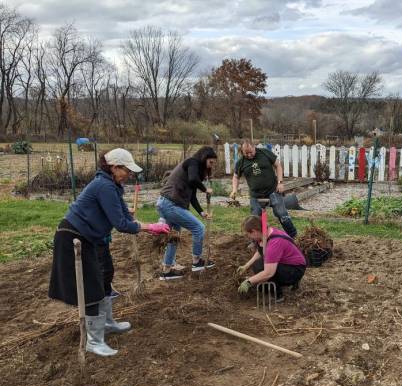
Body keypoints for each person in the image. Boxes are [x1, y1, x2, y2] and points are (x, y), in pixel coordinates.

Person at [49, 148, 170, 357]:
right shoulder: (103, 186)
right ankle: (93, 341)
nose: (130, 175)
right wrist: (149, 227)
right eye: (126, 171)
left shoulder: (114, 186)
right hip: (74, 237)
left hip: (92, 238)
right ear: (114, 167)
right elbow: (121, 224)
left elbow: (124, 214)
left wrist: (144, 225)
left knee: (106, 275)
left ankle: (106, 322)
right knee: (91, 287)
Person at [156, 146, 217, 280]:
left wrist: (201, 212)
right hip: (170, 204)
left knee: (174, 237)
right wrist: (205, 189)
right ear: (204, 158)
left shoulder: (193, 171)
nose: (212, 166)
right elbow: (193, 180)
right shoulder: (192, 162)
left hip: (165, 203)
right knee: (199, 228)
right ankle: (197, 261)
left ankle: (167, 270)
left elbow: (192, 196)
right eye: (211, 162)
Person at [230, 139, 297, 238]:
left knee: (281, 213)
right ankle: (259, 242)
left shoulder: (265, 153)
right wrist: (234, 189)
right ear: (242, 151)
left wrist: (280, 182)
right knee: (255, 219)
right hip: (255, 195)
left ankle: (293, 236)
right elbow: (236, 177)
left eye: (250, 152)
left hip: (273, 190)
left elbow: (278, 165)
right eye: (246, 153)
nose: (249, 155)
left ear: (254, 147)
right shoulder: (240, 162)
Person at [237, 215, 306, 301]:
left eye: (248, 234)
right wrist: (246, 266)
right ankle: (277, 284)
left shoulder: (274, 242)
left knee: (260, 267)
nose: (248, 237)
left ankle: (278, 295)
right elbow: (260, 251)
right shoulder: (265, 234)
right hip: (286, 264)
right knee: (257, 265)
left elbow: (268, 273)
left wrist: (248, 282)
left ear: (254, 231)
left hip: (295, 270)